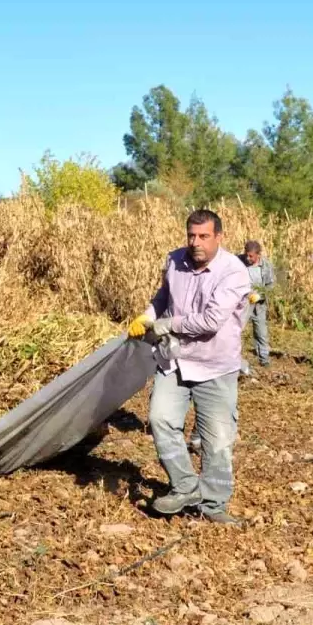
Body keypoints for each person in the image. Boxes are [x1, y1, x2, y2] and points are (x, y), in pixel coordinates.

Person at [127, 209, 250, 525]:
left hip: (215, 364)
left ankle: (213, 505)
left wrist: (165, 324)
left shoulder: (233, 272)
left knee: (217, 439)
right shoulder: (175, 261)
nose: (196, 243)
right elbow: (162, 297)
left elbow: (210, 322)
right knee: (160, 419)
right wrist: (148, 316)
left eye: (204, 237)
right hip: (176, 360)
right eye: (191, 236)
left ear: (219, 237)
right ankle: (185, 487)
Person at [242, 240, 275, 368]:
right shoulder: (238, 261)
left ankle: (264, 359)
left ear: (258, 255)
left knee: (261, 332)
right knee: (237, 330)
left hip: (259, 304)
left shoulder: (266, 266)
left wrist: (259, 296)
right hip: (243, 303)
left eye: (251, 256)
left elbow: (271, 285)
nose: (247, 258)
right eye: (246, 255)